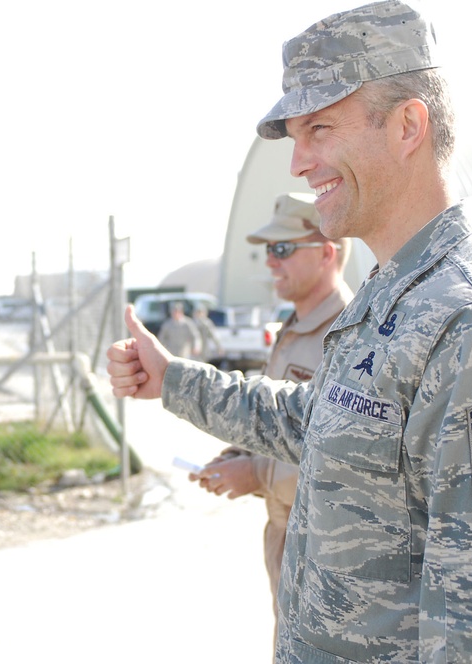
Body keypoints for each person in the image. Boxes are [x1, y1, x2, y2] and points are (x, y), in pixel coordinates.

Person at [107, 1, 472, 660]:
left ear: (408, 125)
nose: (298, 162)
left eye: (320, 127)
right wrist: (172, 380)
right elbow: (314, 419)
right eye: (295, 135)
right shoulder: (392, 292)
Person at [189, 192, 353, 653]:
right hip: (284, 532)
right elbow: (283, 422)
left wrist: (256, 474)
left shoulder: (346, 333)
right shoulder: (295, 327)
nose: (271, 262)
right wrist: (240, 455)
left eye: (283, 249)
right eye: (267, 251)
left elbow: (340, 456)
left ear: (326, 253)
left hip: (324, 542)